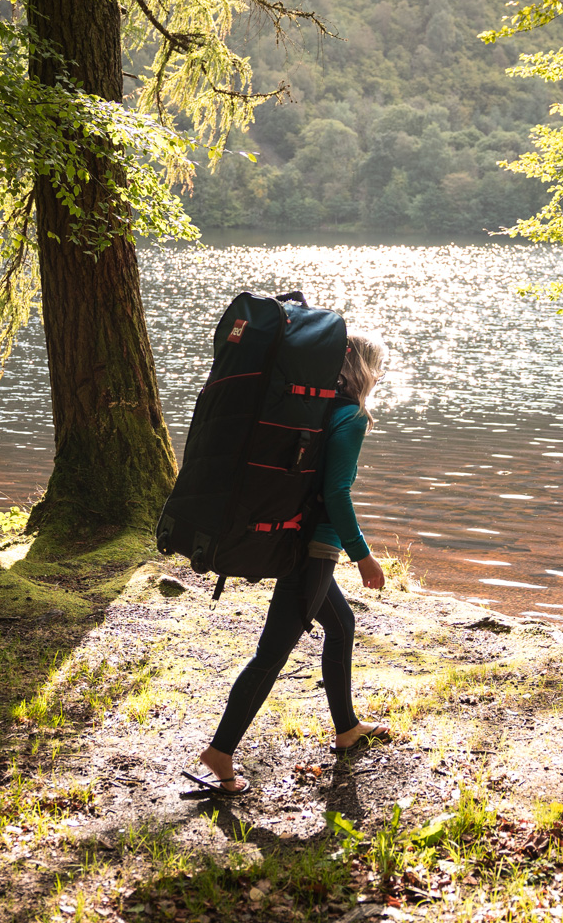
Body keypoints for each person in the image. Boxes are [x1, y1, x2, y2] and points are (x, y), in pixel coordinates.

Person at [185, 332, 391, 796]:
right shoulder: (352, 418)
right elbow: (335, 493)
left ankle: (347, 729)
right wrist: (363, 556)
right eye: (378, 367)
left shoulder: (317, 409)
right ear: (364, 370)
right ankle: (220, 751)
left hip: (294, 539)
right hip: (314, 550)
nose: (380, 376)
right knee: (271, 655)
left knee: (341, 625)